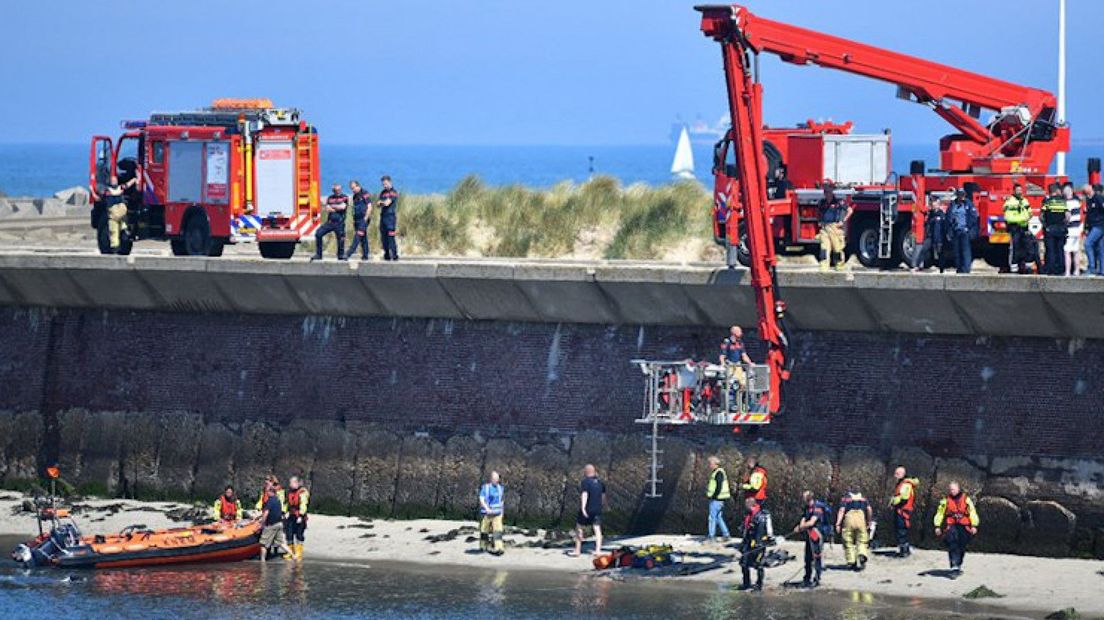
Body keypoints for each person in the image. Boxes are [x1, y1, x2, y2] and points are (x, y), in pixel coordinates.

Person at [933, 481, 979, 575]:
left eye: (953, 489)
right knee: (952, 543)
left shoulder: (966, 500)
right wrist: (937, 526)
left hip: (964, 525)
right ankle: (954, 565)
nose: (952, 491)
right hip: (951, 525)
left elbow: (972, 513)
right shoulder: (945, 501)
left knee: (962, 545)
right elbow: (940, 513)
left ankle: (958, 563)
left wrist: (974, 525)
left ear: (958, 489)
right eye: (950, 489)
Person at [791, 491, 830, 588]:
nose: (802, 498)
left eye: (804, 496)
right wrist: (799, 526)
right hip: (809, 534)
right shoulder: (806, 507)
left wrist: (801, 527)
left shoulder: (818, 507)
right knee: (807, 557)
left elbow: (812, 522)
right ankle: (807, 578)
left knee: (817, 557)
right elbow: (803, 519)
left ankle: (817, 578)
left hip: (817, 534)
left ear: (809, 497)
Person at [93, 175, 138, 253]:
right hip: (115, 216)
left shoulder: (115, 189)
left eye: (115, 180)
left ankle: (118, 245)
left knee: (119, 230)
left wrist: (134, 179)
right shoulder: (110, 190)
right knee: (114, 231)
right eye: (113, 181)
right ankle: (115, 247)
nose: (114, 182)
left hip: (119, 215)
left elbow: (127, 185)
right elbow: (98, 197)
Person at [1003, 184, 1041, 274]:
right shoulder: (1009, 202)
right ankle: (1014, 269)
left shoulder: (1024, 201)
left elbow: (1030, 212)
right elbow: (1008, 217)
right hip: (1015, 227)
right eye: (1018, 190)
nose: (1019, 192)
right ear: (1014, 191)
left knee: (1028, 247)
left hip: (1024, 227)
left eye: (1020, 190)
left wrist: (1028, 217)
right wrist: (1022, 219)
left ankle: (1028, 267)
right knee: (1015, 248)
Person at [816, 182, 851, 272]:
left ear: (832, 192)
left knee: (837, 248)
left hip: (835, 228)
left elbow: (850, 210)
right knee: (824, 248)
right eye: (825, 192)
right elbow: (818, 213)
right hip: (825, 228)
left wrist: (843, 221)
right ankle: (824, 267)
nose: (827, 194)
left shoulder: (839, 202)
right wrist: (819, 221)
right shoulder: (822, 203)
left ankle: (839, 265)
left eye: (828, 192)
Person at [738, 496, 771, 591]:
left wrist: (759, 543)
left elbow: (763, 531)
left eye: (746, 505)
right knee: (743, 563)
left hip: (759, 544)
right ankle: (746, 583)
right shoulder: (748, 515)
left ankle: (759, 584)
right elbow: (745, 529)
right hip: (748, 542)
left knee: (759, 564)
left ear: (751, 505)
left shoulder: (761, 516)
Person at [572, 464, 605, 557]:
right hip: (597, 509)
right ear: (594, 472)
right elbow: (603, 497)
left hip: (588, 508)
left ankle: (577, 550)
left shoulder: (585, 482)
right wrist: (600, 506)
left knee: (579, 527)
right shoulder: (600, 482)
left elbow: (584, 494)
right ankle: (598, 550)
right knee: (597, 529)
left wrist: (583, 508)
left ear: (586, 472)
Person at [835, 488, 872, 571]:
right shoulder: (864, 498)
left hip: (849, 519)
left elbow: (842, 510)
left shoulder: (845, 498)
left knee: (848, 540)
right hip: (861, 518)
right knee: (862, 539)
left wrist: (838, 523)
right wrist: (869, 521)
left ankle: (851, 560)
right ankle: (862, 553)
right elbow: (869, 509)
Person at [910, 196, 948, 273]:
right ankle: (916, 266)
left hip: (938, 236)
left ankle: (941, 268)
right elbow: (927, 223)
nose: (933, 204)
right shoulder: (930, 214)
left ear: (938, 203)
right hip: (930, 236)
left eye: (934, 202)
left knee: (939, 252)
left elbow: (944, 226)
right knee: (924, 250)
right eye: (932, 202)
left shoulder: (941, 214)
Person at [312, 183, 349, 261]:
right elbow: (327, 208)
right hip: (330, 221)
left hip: (339, 222)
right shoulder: (330, 198)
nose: (337, 191)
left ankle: (341, 255)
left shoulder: (344, 197)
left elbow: (343, 207)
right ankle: (319, 254)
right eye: (335, 190)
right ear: (333, 190)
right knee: (318, 233)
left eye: (338, 190)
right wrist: (335, 207)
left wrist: (333, 207)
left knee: (341, 238)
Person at [259, 482, 295, 562]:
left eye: (267, 491)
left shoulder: (270, 501)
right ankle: (293, 556)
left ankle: (262, 561)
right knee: (281, 542)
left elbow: (266, 513)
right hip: (279, 524)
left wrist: (262, 524)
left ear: (270, 492)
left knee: (263, 544)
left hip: (271, 525)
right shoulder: (277, 500)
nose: (266, 493)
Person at [888, 467, 919, 557]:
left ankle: (904, 550)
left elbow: (904, 497)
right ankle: (904, 548)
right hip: (900, 509)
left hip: (903, 510)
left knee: (902, 529)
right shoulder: (902, 483)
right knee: (899, 529)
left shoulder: (906, 484)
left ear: (903, 474)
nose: (895, 475)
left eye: (897, 474)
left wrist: (894, 501)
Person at [946, 188, 978, 274]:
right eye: (960, 195)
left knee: (965, 251)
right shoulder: (953, 205)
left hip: (964, 231)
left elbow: (973, 217)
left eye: (963, 195)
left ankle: (966, 269)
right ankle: (959, 268)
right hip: (956, 231)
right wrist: (950, 230)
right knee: (957, 251)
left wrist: (968, 228)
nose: (962, 197)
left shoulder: (968, 204)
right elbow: (948, 217)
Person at [1041, 183, 1070, 275]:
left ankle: (1051, 269)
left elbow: (1041, 216)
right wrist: (1063, 223)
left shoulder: (1047, 202)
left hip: (1050, 229)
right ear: (1056, 191)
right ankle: (1060, 269)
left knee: (1051, 250)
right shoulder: (1062, 202)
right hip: (1061, 229)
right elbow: (1067, 216)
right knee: (1060, 249)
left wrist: (1045, 224)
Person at [719, 325, 753, 397]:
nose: (741, 333)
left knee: (742, 383)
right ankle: (730, 401)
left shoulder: (740, 342)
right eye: (739, 331)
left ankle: (740, 401)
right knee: (731, 384)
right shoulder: (727, 342)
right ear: (734, 332)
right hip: (729, 365)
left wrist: (750, 363)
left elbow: (744, 355)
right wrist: (723, 365)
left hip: (738, 365)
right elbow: (722, 355)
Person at [344, 180, 373, 260]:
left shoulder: (365, 193)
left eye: (354, 188)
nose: (353, 190)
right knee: (363, 237)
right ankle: (365, 255)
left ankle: (348, 253)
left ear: (358, 186)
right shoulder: (354, 196)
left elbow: (369, 207)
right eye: (351, 189)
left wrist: (365, 219)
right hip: (357, 219)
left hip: (364, 219)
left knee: (357, 236)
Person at [704, 456, 731, 542]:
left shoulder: (719, 473)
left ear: (715, 464)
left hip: (717, 499)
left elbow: (718, 486)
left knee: (712, 517)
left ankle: (711, 536)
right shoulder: (717, 472)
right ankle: (726, 534)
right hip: (720, 499)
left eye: (710, 463)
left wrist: (714, 496)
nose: (709, 465)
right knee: (718, 517)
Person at [478, 471, 505, 555]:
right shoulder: (485, 488)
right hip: (487, 513)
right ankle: (483, 546)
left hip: (497, 513)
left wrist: (502, 512)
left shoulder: (500, 488)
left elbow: (502, 501)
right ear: (491, 479)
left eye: (497, 478)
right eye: (495, 478)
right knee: (484, 530)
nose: (496, 480)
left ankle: (499, 547)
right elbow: (481, 499)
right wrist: (486, 508)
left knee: (498, 531)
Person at [284, 476, 309, 561]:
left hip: (299, 516)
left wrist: (301, 516)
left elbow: (303, 504)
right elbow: (287, 503)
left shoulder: (302, 493)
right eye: (290, 482)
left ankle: (299, 552)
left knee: (299, 534)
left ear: (297, 483)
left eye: (292, 482)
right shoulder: (289, 492)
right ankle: (290, 551)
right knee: (289, 534)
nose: (290, 484)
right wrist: (284, 512)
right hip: (291, 515)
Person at [1063, 183, 1084, 276]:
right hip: (1077, 229)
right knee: (1076, 251)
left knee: (1067, 251)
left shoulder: (1067, 203)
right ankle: (1077, 270)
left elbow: (1067, 217)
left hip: (1070, 229)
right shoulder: (1077, 202)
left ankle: (1067, 271)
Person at [378, 175, 400, 261]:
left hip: (390, 217)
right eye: (383, 184)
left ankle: (394, 255)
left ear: (390, 182)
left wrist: (382, 203)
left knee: (391, 237)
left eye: (386, 184)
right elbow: (378, 203)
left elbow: (387, 203)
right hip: (383, 216)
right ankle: (386, 255)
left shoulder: (393, 192)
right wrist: (382, 203)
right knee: (384, 238)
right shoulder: (383, 192)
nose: (384, 186)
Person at [1084, 184, 1104, 276]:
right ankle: (1101, 270)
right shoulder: (1089, 200)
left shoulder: (1098, 198)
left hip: (1099, 225)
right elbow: (1088, 215)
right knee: (1100, 248)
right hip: (1093, 226)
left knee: (1088, 243)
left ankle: (1092, 268)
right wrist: (1086, 227)